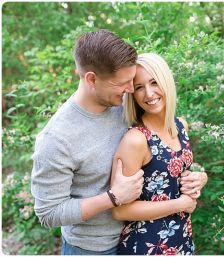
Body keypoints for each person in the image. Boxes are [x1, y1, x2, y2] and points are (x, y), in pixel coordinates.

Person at [30, 29, 145, 255]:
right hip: (94, 250)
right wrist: (113, 198)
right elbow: (48, 213)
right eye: (122, 82)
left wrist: (192, 176)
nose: (131, 89)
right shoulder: (56, 139)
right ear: (91, 79)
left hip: (140, 238)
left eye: (132, 80)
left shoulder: (124, 102)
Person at [111, 53, 206, 255]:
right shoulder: (136, 140)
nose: (148, 93)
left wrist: (200, 179)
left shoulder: (181, 125)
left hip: (182, 239)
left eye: (154, 82)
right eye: (139, 87)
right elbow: (120, 210)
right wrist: (180, 204)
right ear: (133, 94)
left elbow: (178, 178)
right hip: (147, 245)